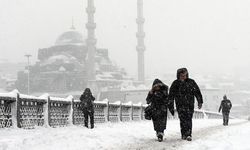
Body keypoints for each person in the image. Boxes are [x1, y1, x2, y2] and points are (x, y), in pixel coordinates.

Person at [168, 68, 203, 141]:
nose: (183, 77)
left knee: (189, 119)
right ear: (178, 75)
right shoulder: (175, 83)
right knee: (182, 120)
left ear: (187, 75)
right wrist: (170, 106)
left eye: (185, 75)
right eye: (181, 75)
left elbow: (197, 92)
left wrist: (200, 101)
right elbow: (171, 96)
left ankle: (189, 134)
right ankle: (183, 134)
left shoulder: (191, 82)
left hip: (189, 104)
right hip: (180, 105)